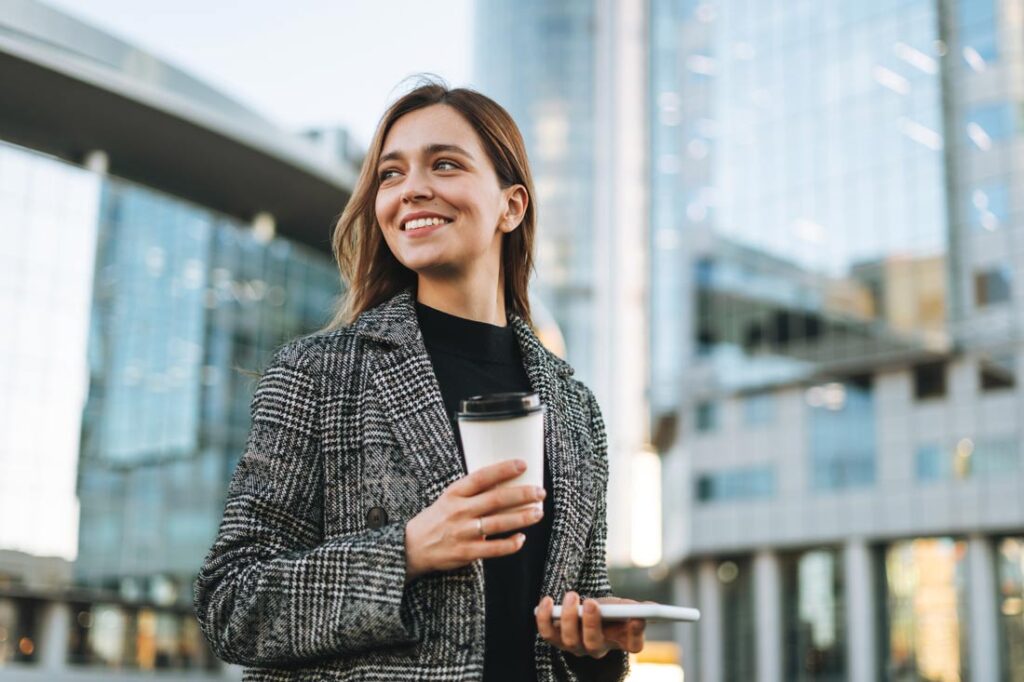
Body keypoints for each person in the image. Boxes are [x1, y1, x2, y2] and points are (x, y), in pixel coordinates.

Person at [194, 77, 646, 681]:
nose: (412, 189)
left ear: (511, 206)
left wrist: (596, 647)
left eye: (445, 164)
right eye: (391, 174)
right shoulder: (318, 374)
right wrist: (407, 551)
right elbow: (232, 602)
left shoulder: (575, 407)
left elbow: (580, 620)